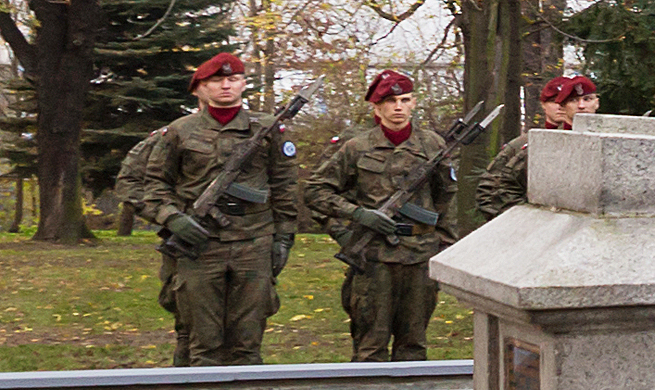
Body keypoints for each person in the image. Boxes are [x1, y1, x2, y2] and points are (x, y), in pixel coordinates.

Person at [115, 50, 295, 365]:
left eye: (233, 79)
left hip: (254, 243)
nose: (226, 85)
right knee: (203, 344)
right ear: (201, 87)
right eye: (217, 80)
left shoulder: (266, 130)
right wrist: (172, 219)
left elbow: (284, 188)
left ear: (243, 84)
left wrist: (284, 238)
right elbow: (154, 184)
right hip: (198, 246)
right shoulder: (180, 131)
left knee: (247, 345)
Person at [300, 69, 457, 360]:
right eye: (391, 101)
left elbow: (445, 199)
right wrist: (357, 216)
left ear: (414, 103)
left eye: (405, 99)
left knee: (414, 346)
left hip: (419, 256)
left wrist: (445, 247)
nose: (398, 107)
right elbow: (316, 191)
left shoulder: (433, 145)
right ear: (376, 106)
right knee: (370, 345)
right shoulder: (357, 147)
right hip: (374, 258)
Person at [469, 72, 599, 222]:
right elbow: (493, 188)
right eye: (554, 101)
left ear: (596, 102)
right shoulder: (528, 144)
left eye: (587, 99)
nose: (581, 106)